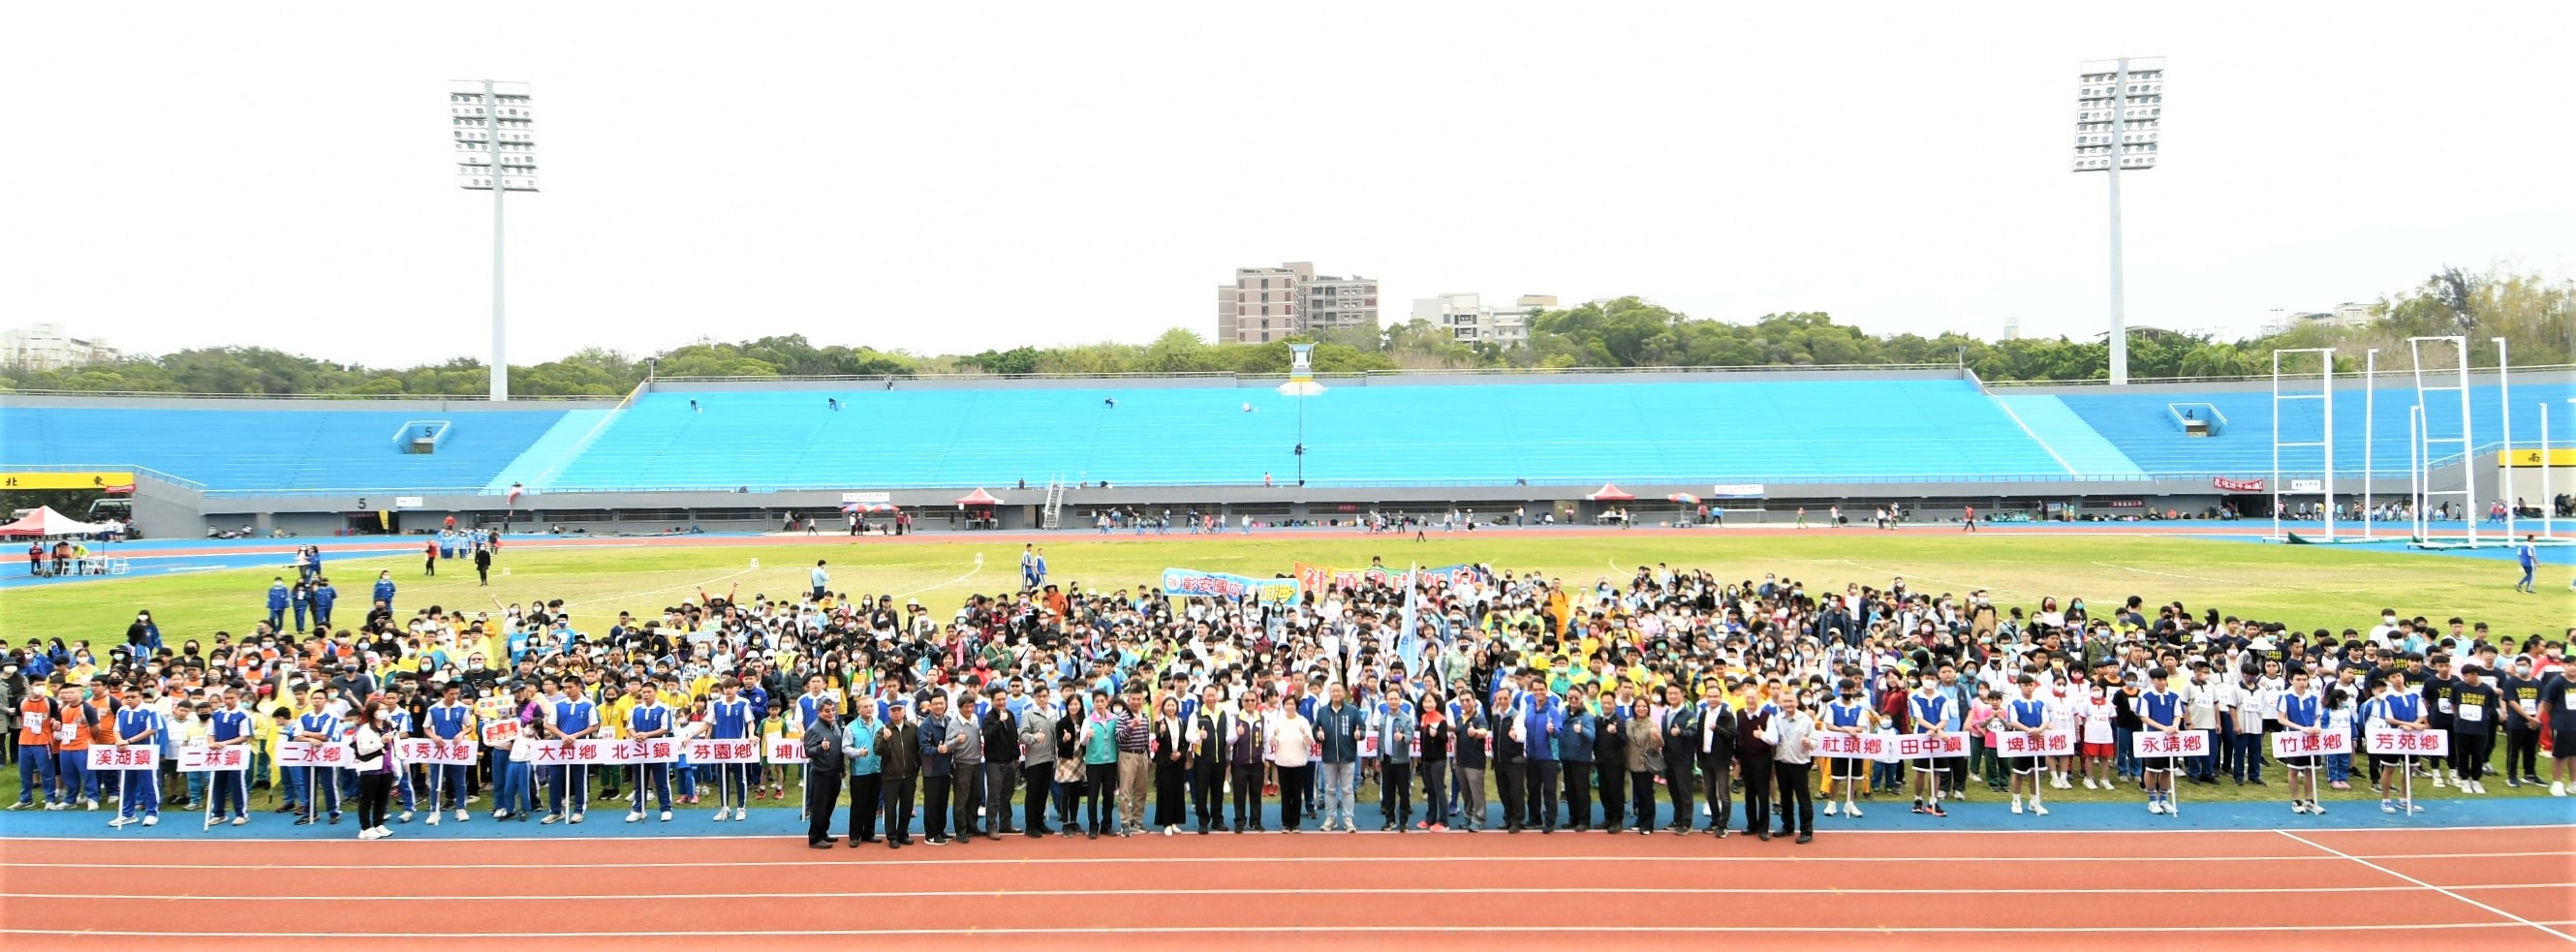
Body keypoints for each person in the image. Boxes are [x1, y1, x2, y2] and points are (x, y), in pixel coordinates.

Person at [1763, 690, 1818, 845]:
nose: (1788, 704)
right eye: (1785, 701)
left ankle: (1806, 830)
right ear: (1781, 703)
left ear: (1796, 702)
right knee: (1785, 797)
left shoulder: (1806, 720)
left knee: (1803, 798)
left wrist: (1809, 743)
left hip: (1799, 764)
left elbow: (1815, 742)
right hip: (1782, 762)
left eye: (1790, 701)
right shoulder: (1776, 718)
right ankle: (1787, 826)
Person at [1268, 693, 1315, 833]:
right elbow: (1271, 742)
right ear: (1284, 706)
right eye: (1287, 704)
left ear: (1296, 706)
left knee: (1296, 794)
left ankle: (1295, 823)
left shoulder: (1303, 721)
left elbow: (1310, 742)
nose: (1290, 706)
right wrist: (1273, 736)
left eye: (1292, 704)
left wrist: (1304, 734)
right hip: (1283, 762)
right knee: (1286, 794)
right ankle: (1286, 823)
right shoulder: (1279, 721)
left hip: (1298, 762)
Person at [802, 699, 846, 848]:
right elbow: (808, 751)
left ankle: (823, 832)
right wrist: (821, 747)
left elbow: (839, 751)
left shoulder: (835, 726)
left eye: (833, 710)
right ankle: (814, 837)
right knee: (819, 807)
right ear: (819, 712)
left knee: (829, 806)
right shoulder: (814, 729)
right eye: (827, 710)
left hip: (834, 773)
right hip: (820, 774)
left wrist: (842, 769)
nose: (831, 713)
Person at [352, 699, 395, 840]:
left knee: (382, 798)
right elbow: (362, 750)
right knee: (367, 799)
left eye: (384, 708)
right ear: (372, 712)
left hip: (386, 768)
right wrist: (381, 742)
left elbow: (394, 747)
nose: (383, 711)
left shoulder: (389, 726)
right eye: (379, 709)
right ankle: (365, 827)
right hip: (370, 769)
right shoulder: (365, 729)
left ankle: (378, 823)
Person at [878, 699, 919, 847]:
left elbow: (918, 750)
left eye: (899, 710)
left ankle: (903, 833)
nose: (896, 713)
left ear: (904, 711)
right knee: (890, 807)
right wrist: (885, 740)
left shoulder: (913, 729)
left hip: (909, 775)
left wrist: (915, 768)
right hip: (890, 776)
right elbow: (878, 751)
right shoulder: (883, 730)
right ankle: (892, 836)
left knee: (907, 806)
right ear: (889, 713)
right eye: (893, 710)